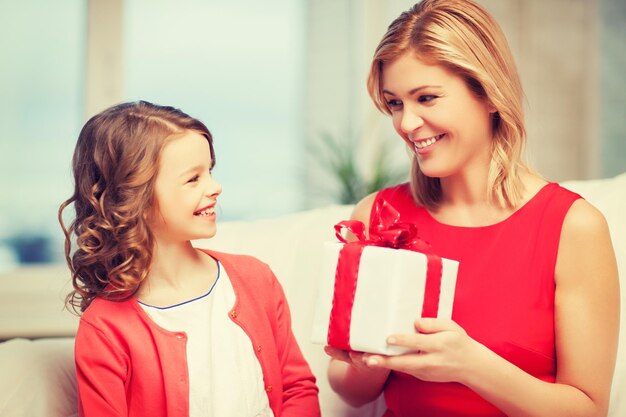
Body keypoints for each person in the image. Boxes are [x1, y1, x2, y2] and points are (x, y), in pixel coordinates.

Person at [325, 1, 620, 416]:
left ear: (489, 94)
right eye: (395, 104)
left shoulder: (573, 227)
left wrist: (469, 364)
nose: (407, 124)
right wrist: (374, 358)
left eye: (426, 98)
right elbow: (351, 390)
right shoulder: (377, 215)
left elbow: (589, 410)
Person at [59, 101, 320, 417]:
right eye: (193, 178)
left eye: (209, 170)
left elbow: (297, 389)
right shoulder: (103, 328)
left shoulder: (255, 278)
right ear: (132, 198)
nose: (215, 187)